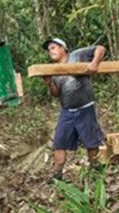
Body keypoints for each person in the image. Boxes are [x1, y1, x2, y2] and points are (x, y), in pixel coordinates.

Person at [42, 37, 107, 181]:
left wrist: (95, 63)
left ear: (63, 48)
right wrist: (49, 83)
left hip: (85, 107)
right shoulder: (53, 70)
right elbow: (56, 94)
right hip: (67, 111)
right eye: (49, 50)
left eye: (53, 48)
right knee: (59, 142)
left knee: (91, 141)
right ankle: (57, 174)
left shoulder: (77, 55)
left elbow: (100, 48)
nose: (50, 52)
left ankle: (95, 167)